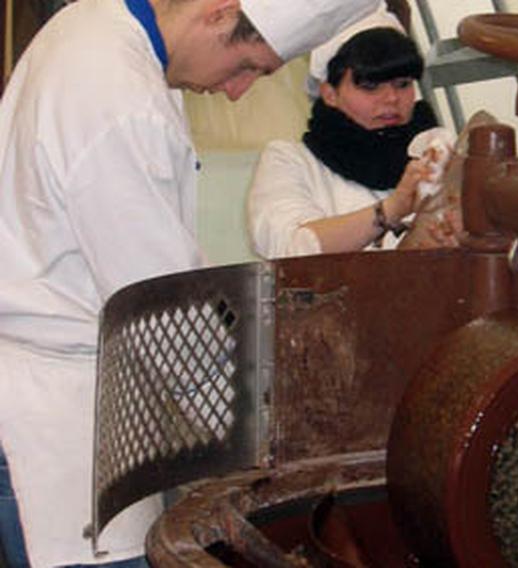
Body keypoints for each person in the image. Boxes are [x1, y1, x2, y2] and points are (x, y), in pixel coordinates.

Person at [0, 0, 381, 566]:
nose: (236, 92)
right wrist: (268, 437)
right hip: (57, 427)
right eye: (245, 66)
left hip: (80, 406)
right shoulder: (118, 97)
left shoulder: (92, 25)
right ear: (218, 12)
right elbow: (171, 320)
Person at [247, 9, 453, 258]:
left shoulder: (443, 151)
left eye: (403, 84)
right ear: (330, 94)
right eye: (370, 86)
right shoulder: (290, 161)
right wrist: (391, 209)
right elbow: (290, 248)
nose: (391, 98)